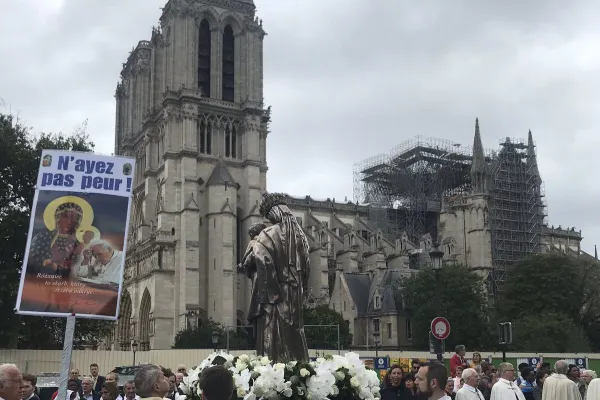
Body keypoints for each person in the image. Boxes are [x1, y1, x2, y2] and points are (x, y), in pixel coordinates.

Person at [242, 192, 311, 362]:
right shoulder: (301, 236)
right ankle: (300, 367)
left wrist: (270, 296)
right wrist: (303, 291)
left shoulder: (268, 234)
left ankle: (274, 370)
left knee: (273, 335)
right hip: (295, 293)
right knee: (295, 332)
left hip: (276, 293)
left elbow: (263, 262)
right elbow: (307, 267)